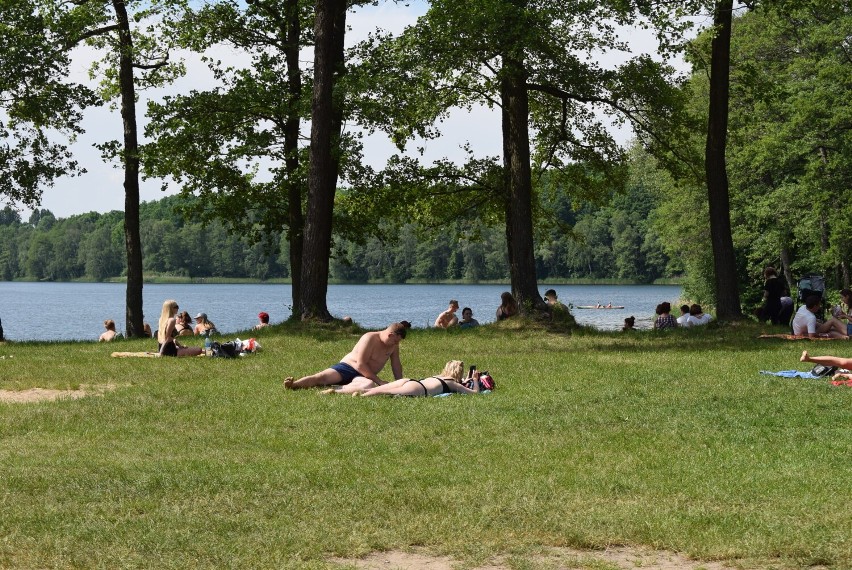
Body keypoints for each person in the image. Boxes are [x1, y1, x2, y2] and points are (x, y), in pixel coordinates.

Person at [284, 321, 409, 390]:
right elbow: (360, 365)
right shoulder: (369, 338)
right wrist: (379, 381)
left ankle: (337, 388)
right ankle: (294, 385)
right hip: (348, 368)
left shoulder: (393, 345)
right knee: (321, 378)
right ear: (390, 335)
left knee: (367, 385)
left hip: (364, 376)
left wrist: (399, 382)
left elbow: (396, 364)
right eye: (395, 341)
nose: (396, 344)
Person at [358, 360, 483, 397]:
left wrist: (466, 380)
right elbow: (475, 393)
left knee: (380, 389)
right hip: (419, 388)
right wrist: (475, 380)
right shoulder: (453, 384)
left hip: (408, 380)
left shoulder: (440, 376)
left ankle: (358, 392)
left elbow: (458, 382)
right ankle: (362, 396)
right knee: (383, 392)